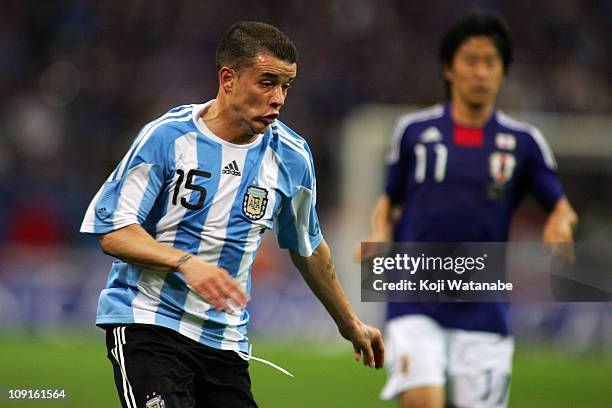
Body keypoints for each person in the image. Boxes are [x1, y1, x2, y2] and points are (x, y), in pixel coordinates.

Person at [81, 21, 383, 408]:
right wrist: (185, 262)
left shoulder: (290, 156)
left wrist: (349, 322)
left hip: (225, 342)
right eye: (267, 82)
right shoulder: (167, 138)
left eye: (285, 86)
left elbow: (308, 246)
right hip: (148, 324)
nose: (279, 99)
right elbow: (114, 231)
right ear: (228, 79)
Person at [355, 12, 577, 408]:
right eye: (470, 60)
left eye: (490, 62)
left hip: (483, 309)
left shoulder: (523, 142)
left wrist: (559, 222)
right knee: (423, 401)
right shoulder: (414, 132)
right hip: (415, 297)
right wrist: (379, 230)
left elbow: (560, 206)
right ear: (448, 67)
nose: (480, 72)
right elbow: (389, 199)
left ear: (503, 70)